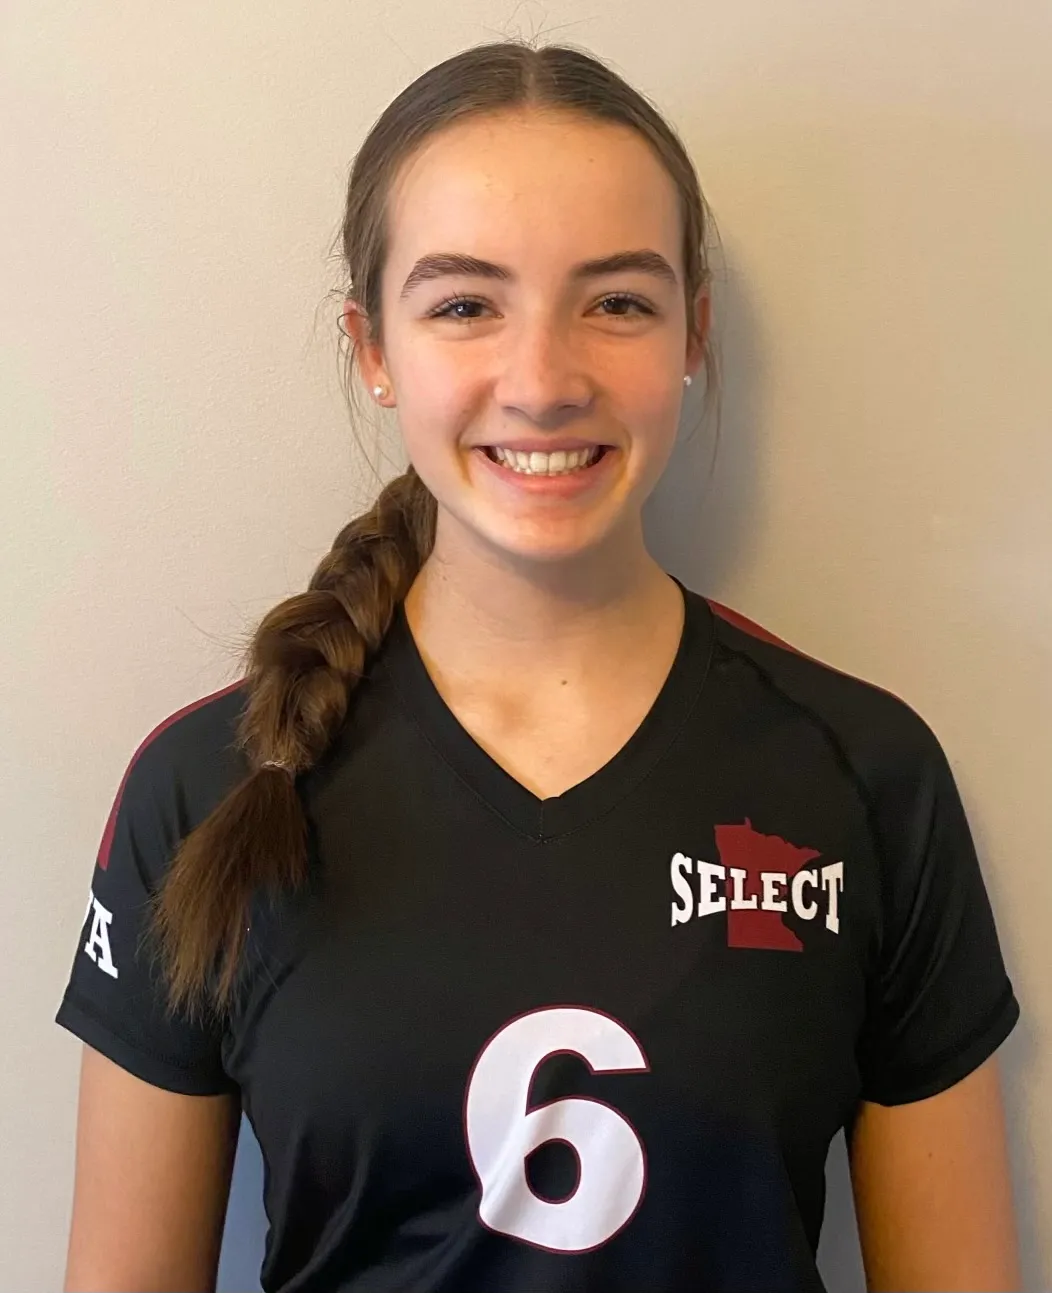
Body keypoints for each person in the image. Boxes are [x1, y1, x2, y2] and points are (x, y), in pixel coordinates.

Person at [56, 37, 1022, 1293]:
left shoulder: (865, 777)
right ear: (372, 349)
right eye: (465, 305)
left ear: (692, 331)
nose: (543, 381)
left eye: (615, 302)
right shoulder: (209, 786)